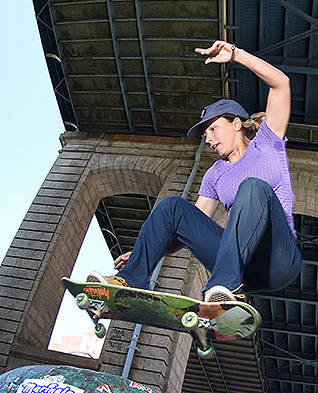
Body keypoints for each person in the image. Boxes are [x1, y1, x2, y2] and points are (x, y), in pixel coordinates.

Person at [91, 40, 302, 303]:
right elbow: (189, 228)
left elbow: (280, 83)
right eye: (205, 135)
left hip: (278, 261)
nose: (209, 140)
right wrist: (143, 250)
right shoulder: (214, 174)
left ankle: (222, 292)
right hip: (241, 267)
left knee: (253, 186)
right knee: (172, 208)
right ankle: (129, 283)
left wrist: (236, 55)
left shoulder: (267, 144)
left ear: (236, 123)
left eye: (213, 129)